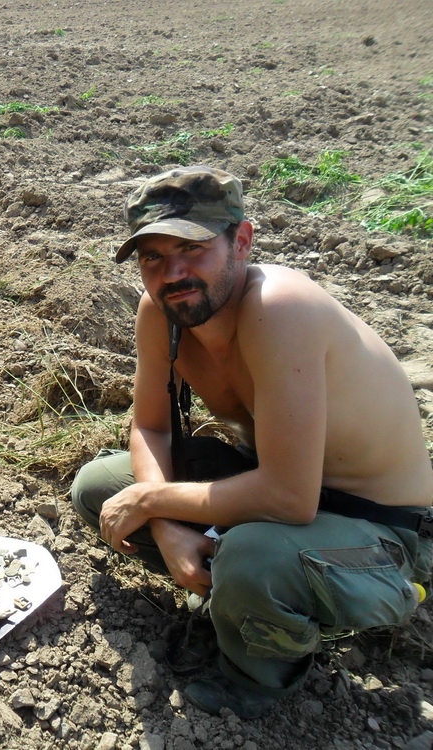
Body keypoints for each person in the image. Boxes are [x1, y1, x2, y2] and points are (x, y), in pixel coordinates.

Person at [71, 166, 433, 718]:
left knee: (251, 557)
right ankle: (236, 595)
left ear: (241, 241)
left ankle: (259, 677)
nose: (173, 273)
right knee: (100, 486)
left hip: (379, 527)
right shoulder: (161, 315)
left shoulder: (280, 308)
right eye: (153, 258)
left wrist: (151, 501)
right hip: (278, 486)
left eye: (192, 249)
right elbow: (151, 428)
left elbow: (291, 498)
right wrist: (167, 527)